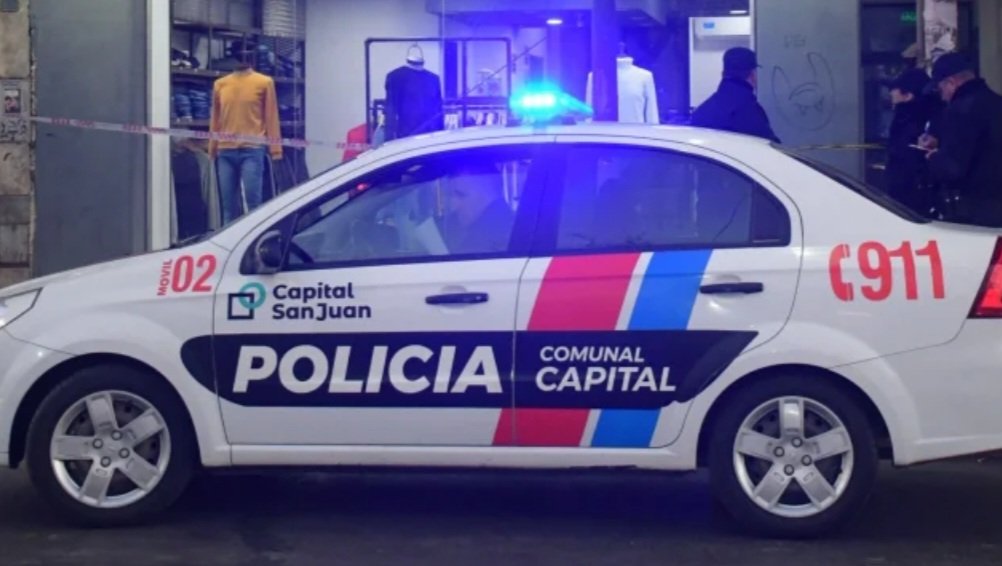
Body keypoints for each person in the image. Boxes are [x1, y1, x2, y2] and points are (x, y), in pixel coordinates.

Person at [919, 52, 1002, 226]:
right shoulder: (996, 102)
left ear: (951, 82)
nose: (942, 96)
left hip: (976, 207)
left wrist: (934, 157)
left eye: (940, 89)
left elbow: (953, 168)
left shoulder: (960, 110)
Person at [883, 68, 944, 216]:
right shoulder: (932, 111)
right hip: (915, 183)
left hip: (913, 184)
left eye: (895, 89)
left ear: (908, 95)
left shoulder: (909, 116)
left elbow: (903, 150)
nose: (891, 93)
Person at [691, 47, 781, 143]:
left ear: (723, 74)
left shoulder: (701, 112)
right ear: (752, 75)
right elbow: (769, 146)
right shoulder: (749, 111)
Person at [441, 162, 514, 255]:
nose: (454, 205)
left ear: (487, 194)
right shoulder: (511, 226)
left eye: (461, 195)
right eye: (451, 196)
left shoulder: (492, 239)